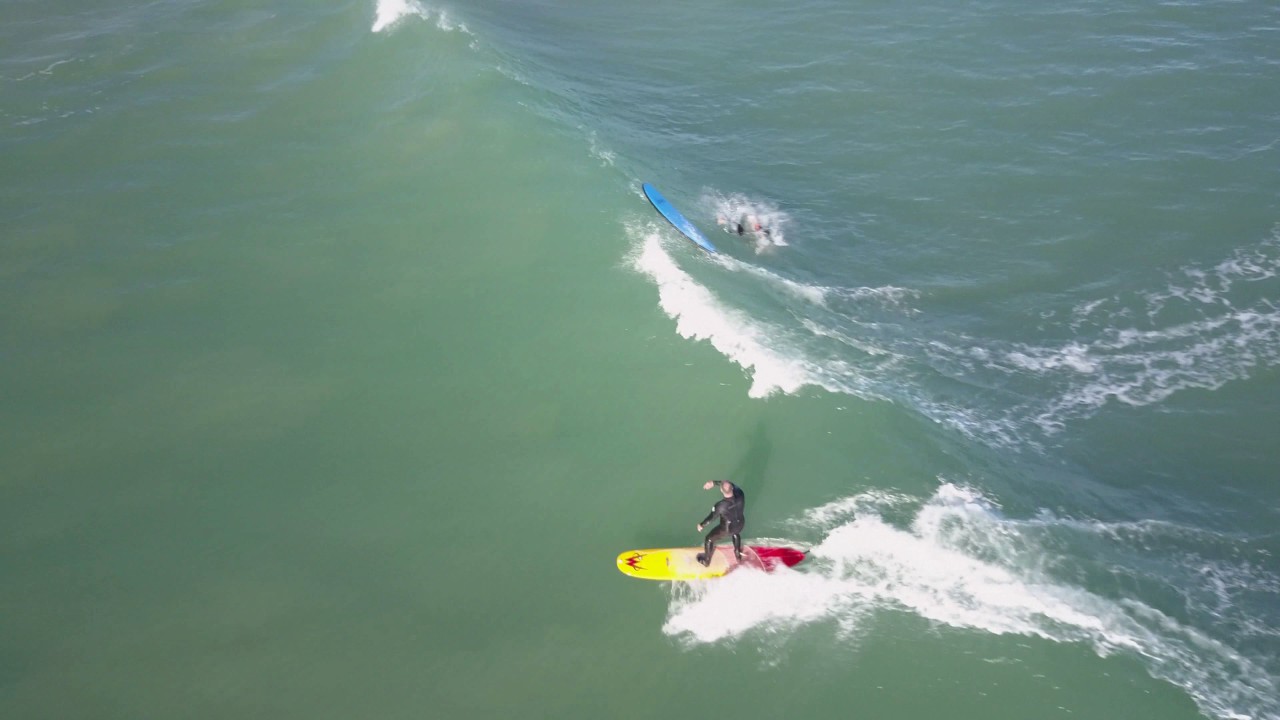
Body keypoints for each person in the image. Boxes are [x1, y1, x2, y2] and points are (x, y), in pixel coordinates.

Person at [695, 480, 746, 566]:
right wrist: (714, 483)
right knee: (736, 533)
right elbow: (732, 484)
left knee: (709, 539)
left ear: (721, 490)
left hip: (727, 529)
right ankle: (737, 554)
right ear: (732, 488)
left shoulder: (720, 506)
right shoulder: (740, 494)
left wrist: (701, 525)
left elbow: (711, 518)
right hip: (740, 524)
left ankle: (706, 561)